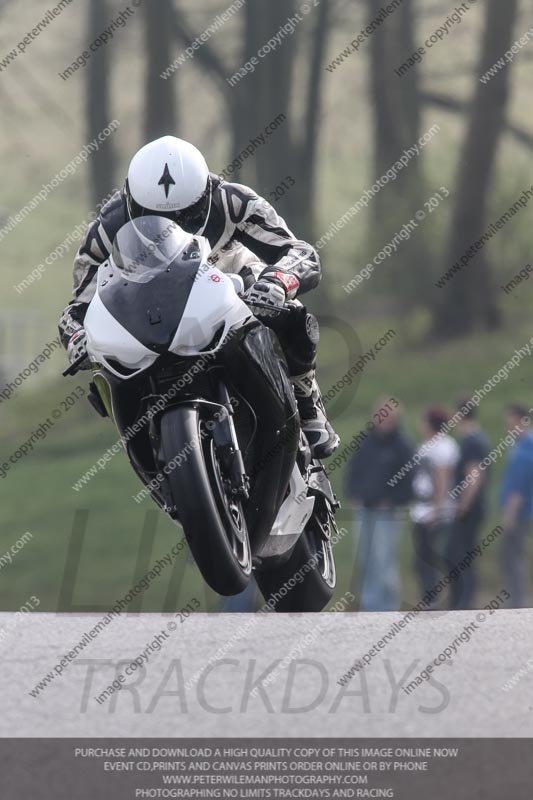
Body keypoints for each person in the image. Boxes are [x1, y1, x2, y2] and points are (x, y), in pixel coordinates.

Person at [58, 135, 339, 458]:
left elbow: (300, 252)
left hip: (230, 289)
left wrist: (278, 280)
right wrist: (78, 337)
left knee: (293, 314)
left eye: (186, 215)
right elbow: (77, 307)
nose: (171, 227)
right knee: (103, 376)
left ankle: (307, 403)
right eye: (154, 215)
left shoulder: (234, 201)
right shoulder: (106, 229)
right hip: (148, 314)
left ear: (206, 194)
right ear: (132, 202)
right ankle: (147, 450)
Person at [345, 398, 414, 611]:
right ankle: (369, 606)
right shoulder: (366, 441)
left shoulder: (402, 445)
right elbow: (353, 470)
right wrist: (353, 493)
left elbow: (410, 481)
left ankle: (387, 607)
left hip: (388, 513)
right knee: (366, 558)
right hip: (364, 509)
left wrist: (394, 499)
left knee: (384, 560)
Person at [410, 406, 459, 602]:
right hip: (422, 509)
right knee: (420, 559)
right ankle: (429, 597)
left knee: (430, 558)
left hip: (435, 510)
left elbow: (443, 479)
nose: (421, 425)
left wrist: (437, 511)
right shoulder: (426, 445)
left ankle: (433, 598)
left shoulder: (444, 446)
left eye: (424, 421)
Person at [446, 401, 490, 609]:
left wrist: (462, 505)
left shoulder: (472, 441)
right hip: (473, 508)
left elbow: (474, 475)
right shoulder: (475, 439)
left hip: (468, 510)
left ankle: (463, 602)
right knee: (461, 553)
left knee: (459, 554)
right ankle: (462, 600)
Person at [499, 403, 533, 608]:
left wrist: (509, 515)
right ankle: (517, 599)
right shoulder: (520, 445)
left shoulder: (525, 448)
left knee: (512, 554)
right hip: (521, 510)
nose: (507, 425)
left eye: (510, 420)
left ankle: (518, 601)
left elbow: (519, 486)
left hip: (520, 511)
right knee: (512, 554)